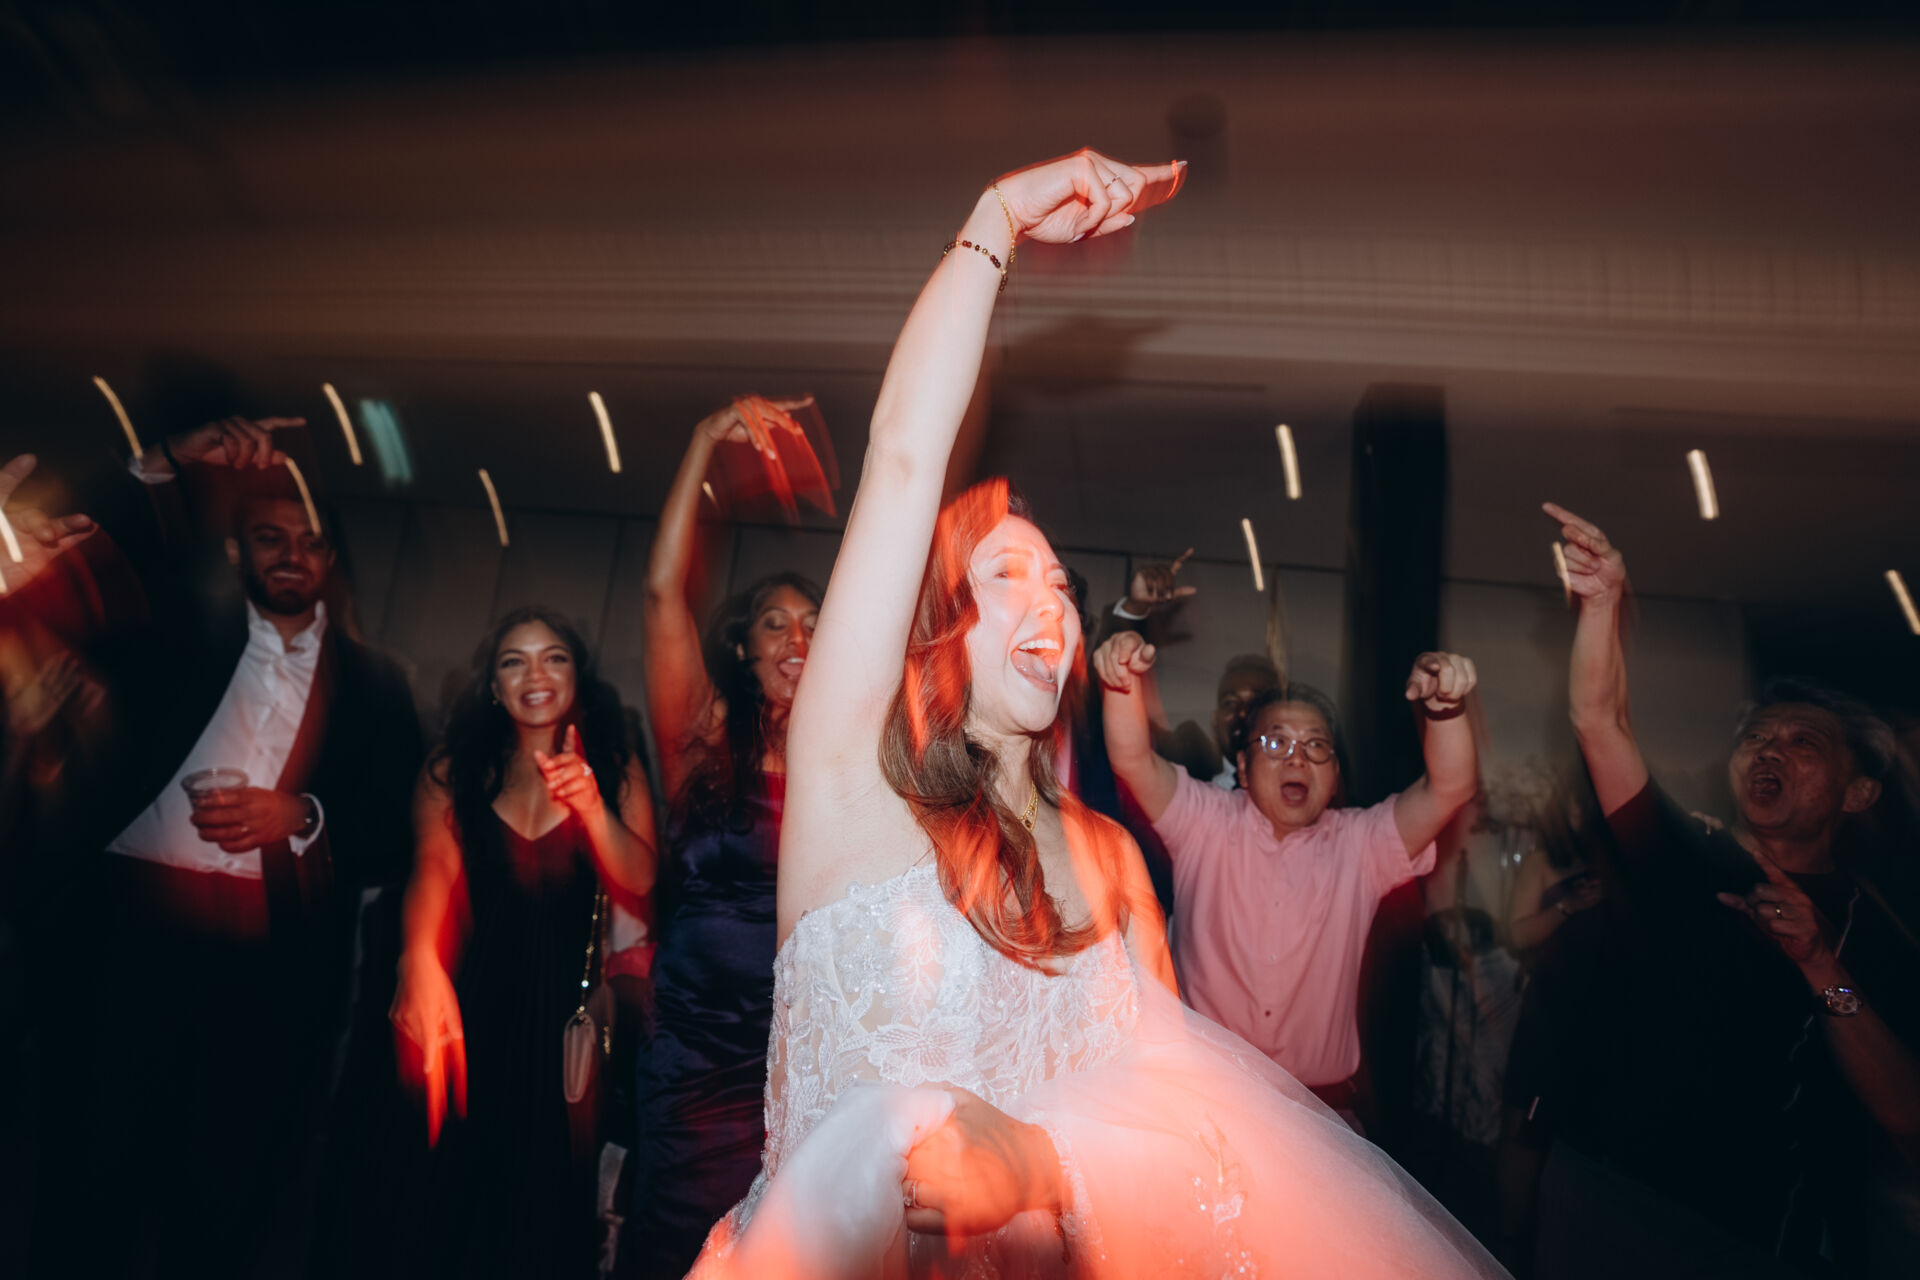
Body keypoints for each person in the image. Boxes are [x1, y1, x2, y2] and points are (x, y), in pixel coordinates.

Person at [689, 148, 1505, 1278]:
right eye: (1008, 575)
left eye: (1061, 585)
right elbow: (905, 456)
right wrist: (997, 220)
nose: (1053, 602)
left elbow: (1188, 1126)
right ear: (937, 626)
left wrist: (1046, 1166)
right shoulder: (849, 790)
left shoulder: (1110, 858)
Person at [27, 419, 424, 1278]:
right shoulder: (176, 637)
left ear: (330, 561)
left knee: (225, 1196)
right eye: (270, 537)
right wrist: (162, 464)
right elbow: (106, 556)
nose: (292, 555)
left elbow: (399, 833)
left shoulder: (376, 686)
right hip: (128, 946)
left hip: (269, 974)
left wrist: (305, 815)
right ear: (239, 551)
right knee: (89, 1181)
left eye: (309, 542)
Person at [1534, 501, 1920, 1278]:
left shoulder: (1871, 923)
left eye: (1802, 742)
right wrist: (1604, 603)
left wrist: (1820, 965)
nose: (1769, 750)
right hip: (1606, 1193)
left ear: (1858, 793)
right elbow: (1599, 721)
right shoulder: (1688, 854)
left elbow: (1906, 1115)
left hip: (1748, 1232)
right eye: (1757, 737)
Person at [1099, 627, 1479, 1126]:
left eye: (1317, 745)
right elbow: (1132, 758)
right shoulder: (1202, 823)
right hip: (1203, 1107)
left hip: (1319, 1115)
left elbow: (1450, 787)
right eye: (1276, 742)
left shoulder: (1363, 846)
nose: (1298, 757)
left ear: (1335, 775)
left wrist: (1445, 710)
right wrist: (1121, 682)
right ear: (1242, 765)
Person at [391, 607, 656, 1278]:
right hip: (465, 1001)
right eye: (514, 661)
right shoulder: (455, 768)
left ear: (576, 676)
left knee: (538, 1211)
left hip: (557, 1014)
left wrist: (592, 808)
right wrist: (419, 959)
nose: (535, 675)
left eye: (553, 657)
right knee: (437, 1195)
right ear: (493, 685)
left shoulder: (615, 767)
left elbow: (642, 879)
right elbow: (432, 869)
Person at [625, 401, 825, 1278]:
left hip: (794, 1045)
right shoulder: (704, 736)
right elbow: (662, 592)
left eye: (813, 622)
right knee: (674, 1231)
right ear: (743, 648)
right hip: (696, 1040)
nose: (797, 637)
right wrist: (704, 442)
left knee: (769, 1241)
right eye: (776, 622)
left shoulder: (843, 761)